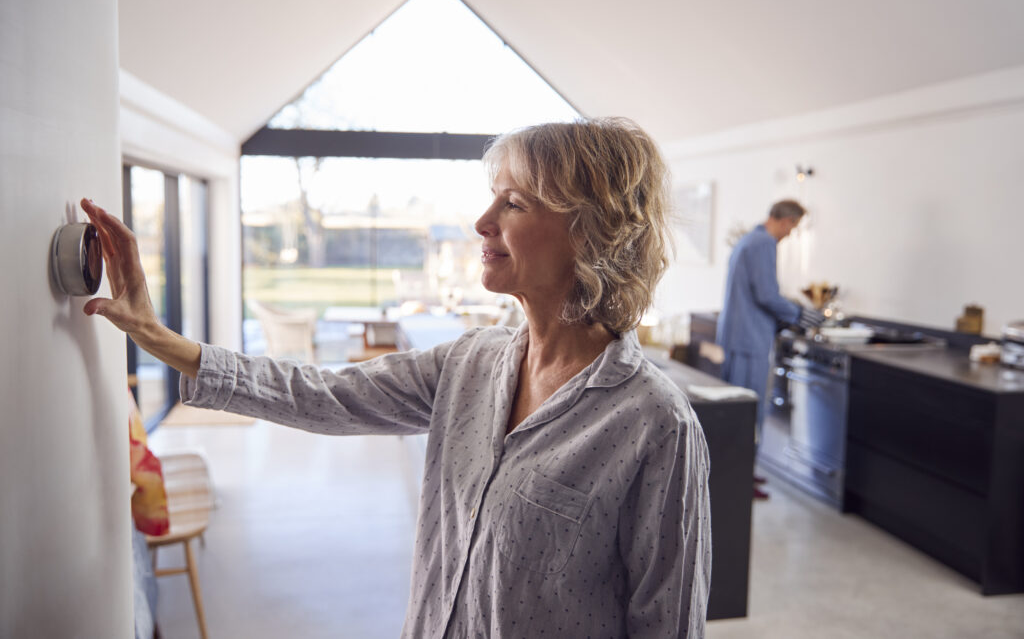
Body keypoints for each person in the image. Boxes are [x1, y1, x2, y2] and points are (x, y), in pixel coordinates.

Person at [82, 117, 712, 638]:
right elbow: (324, 394)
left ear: (591, 232)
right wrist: (162, 340)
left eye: (514, 203)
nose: (482, 221)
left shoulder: (655, 426)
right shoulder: (471, 362)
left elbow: (668, 625)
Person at [715, 199, 824, 499]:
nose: (790, 234)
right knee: (748, 412)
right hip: (749, 340)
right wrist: (800, 313)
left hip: (738, 337)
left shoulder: (748, 240)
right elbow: (766, 294)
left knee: (738, 410)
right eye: (793, 227)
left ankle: (740, 474)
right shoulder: (764, 243)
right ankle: (739, 482)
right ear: (787, 221)